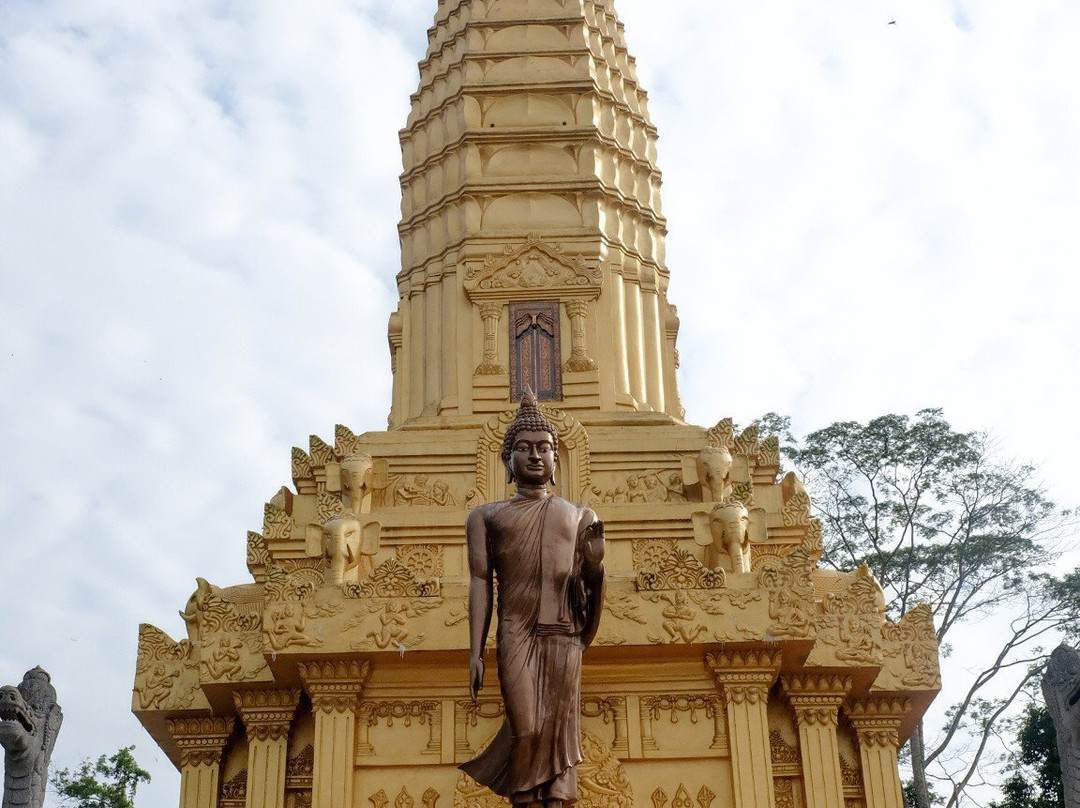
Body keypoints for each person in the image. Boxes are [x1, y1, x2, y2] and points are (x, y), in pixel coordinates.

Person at [460, 389, 606, 807]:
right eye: (523, 448)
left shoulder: (579, 516)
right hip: (515, 630)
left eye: (544, 448)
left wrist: (595, 565)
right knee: (526, 730)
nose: (535, 455)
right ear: (508, 459)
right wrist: (475, 652)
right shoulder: (485, 517)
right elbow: (479, 581)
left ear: (557, 459)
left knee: (559, 734)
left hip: (562, 633)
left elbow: (587, 587)